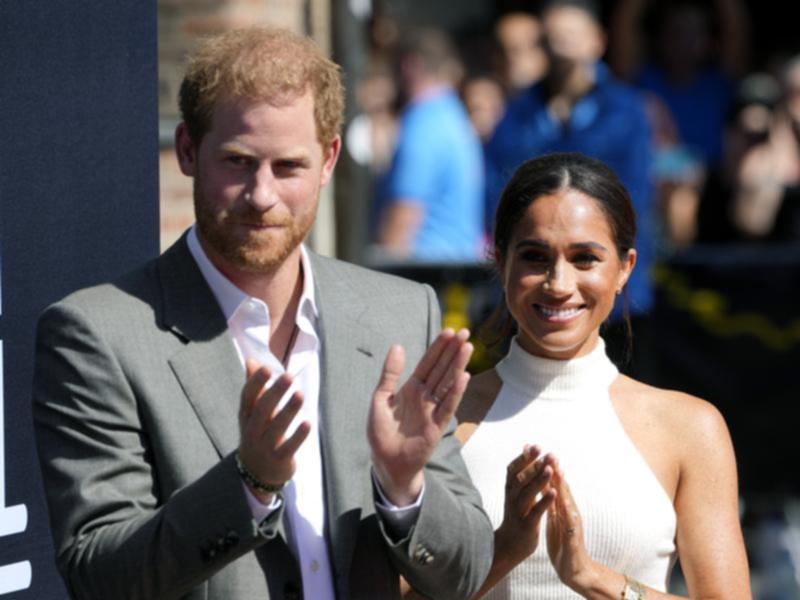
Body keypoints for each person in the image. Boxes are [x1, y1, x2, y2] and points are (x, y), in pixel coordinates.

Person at [32, 26, 493, 600]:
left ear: (328, 161)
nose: (262, 195)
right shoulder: (99, 334)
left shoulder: (400, 312)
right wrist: (248, 484)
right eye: (237, 162)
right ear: (186, 151)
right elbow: (99, 576)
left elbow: (466, 570)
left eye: (288, 167)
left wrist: (403, 487)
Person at [456, 152, 751, 598]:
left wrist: (592, 577)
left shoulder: (689, 428)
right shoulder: (442, 417)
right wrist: (502, 550)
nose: (558, 283)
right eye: (535, 256)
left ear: (625, 268)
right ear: (501, 262)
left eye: (585, 258)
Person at [484, 0, 656, 377]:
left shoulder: (625, 108)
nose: (560, 45)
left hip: (609, 284)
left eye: (570, 34)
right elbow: (498, 185)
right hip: (536, 270)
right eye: (550, 36)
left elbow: (634, 196)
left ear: (598, 41)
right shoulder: (520, 109)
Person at [373, 27, 484, 263]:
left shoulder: (423, 124)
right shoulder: (454, 115)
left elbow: (403, 213)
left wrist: (378, 285)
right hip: (457, 271)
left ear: (410, 66)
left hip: (424, 274)